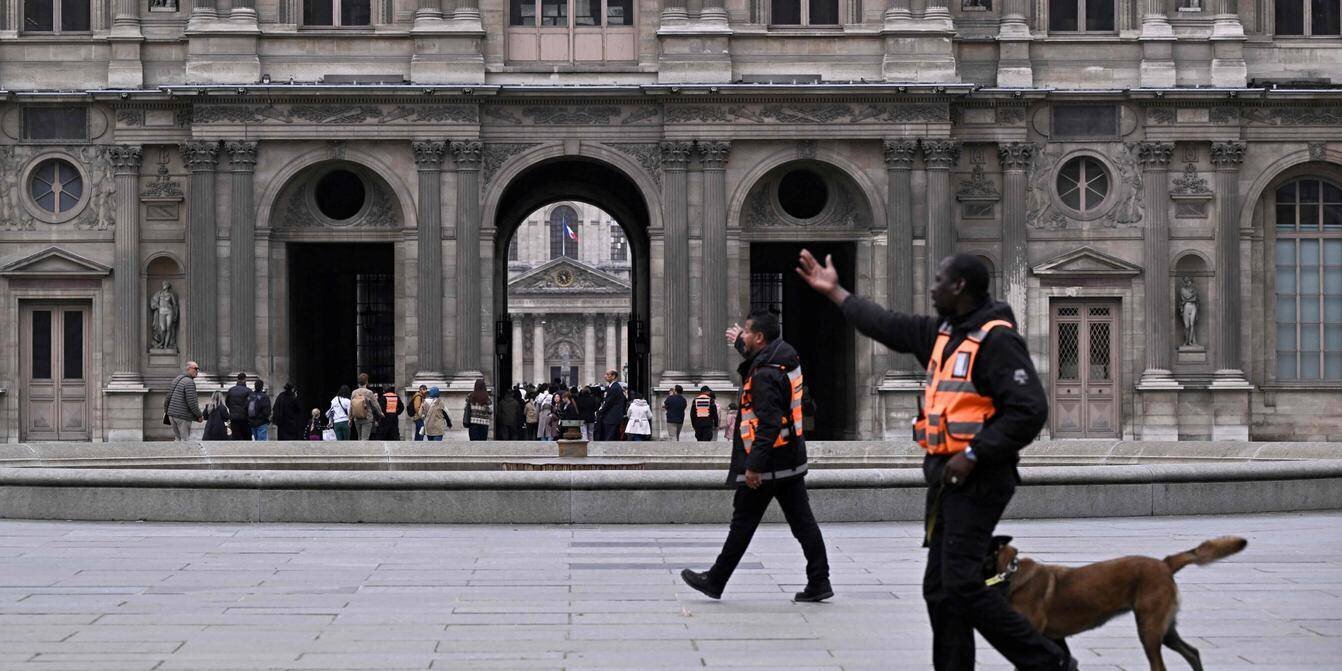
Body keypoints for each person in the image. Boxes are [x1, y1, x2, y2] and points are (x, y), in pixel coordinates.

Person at [795, 250, 1077, 671]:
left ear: (959, 286)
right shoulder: (946, 333)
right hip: (950, 481)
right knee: (940, 589)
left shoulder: (997, 340)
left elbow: (1030, 408)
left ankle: (1048, 662)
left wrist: (975, 453)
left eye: (939, 279)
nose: (932, 287)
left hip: (981, 478)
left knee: (961, 581)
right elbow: (888, 325)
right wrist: (836, 292)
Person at [681, 311, 831, 603]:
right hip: (790, 459)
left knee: (743, 523)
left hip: (768, 465)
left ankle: (715, 579)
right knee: (803, 523)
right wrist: (740, 341)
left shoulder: (765, 376)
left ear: (760, 337)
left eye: (748, 333)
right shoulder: (786, 357)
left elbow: (768, 424)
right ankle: (819, 579)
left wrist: (754, 467)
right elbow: (761, 359)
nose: (744, 336)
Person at [163, 361, 204, 440]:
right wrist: (199, 415)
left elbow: (168, 397)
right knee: (185, 440)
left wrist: (166, 411)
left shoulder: (177, 379)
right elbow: (192, 403)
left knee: (178, 439)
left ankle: (177, 452)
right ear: (188, 369)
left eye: (198, 369)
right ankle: (185, 452)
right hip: (182, 416)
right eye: (196, 368)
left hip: (172, 415)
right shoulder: (189, 382)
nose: (197, 371)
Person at [349, 373, 383, 440]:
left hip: (357, 418)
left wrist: (350, 418)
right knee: (365, 439)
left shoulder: (354, 392)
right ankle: (363, 450)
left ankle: (359, 450)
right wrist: (380, 413)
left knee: (359, 438)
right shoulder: (369, 392)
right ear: (366, 382)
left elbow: (351, 406)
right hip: (367, 418)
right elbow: (375, 404)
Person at [595, 369, 626, 440]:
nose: (605, 376)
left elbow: (608, 403)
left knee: (609, 438)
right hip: (612, 417)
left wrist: (600, 412)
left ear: (613, 376)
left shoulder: (614, 388)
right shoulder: (613, 387)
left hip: (611, 418)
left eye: (607, 374)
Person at [225, 373, 252, 441]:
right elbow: (251, 405)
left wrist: (233, 410)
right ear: (245, 379)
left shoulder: (231, 390)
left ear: (237, 379)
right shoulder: (248, 391)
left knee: (236, 438)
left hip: (234, 418)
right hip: (245, 418)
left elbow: (227, 402)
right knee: (246, 438)